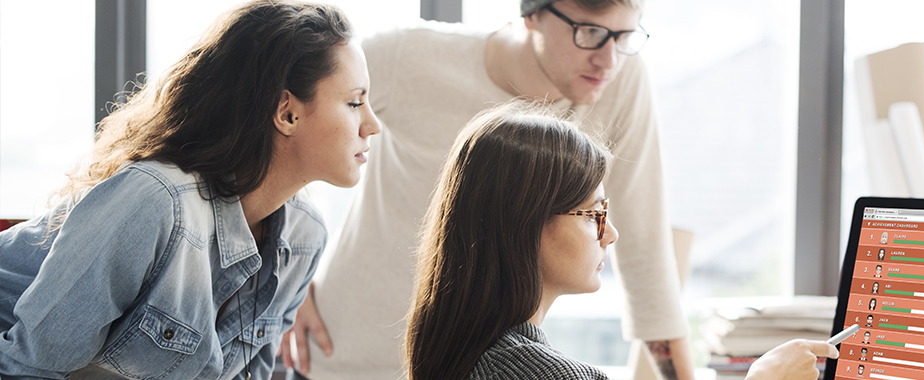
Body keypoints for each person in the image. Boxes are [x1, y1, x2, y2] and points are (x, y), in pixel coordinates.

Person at [282, 0, 693, 378]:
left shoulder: (620, 78)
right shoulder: (407, 56)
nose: (608, 60)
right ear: (531, 13)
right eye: (589, 32)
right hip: (350, 349)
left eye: (624, 37)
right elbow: (282, 129)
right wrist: (288, 278)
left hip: (486, 359)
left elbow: (645, 246)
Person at [0, 1, 380, 378]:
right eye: (354, 102)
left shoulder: (304, 238)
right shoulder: (155, 203)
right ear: (287, 113)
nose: (373, 125)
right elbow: (27, 369)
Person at [403, 101, 836, 380]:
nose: (610, 233)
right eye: (594, 215)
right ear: (525, 223)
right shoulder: (547, 375)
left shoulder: (458, 348)